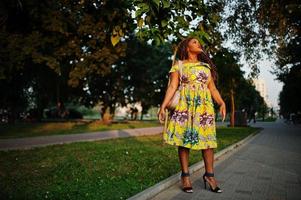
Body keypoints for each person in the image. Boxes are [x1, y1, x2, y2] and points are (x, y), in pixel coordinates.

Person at [158, 37, 226, 193]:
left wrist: (221, 103)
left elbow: (213, 89)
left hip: (203, 108)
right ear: (186, 47)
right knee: (184, 140)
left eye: (199, 42)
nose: (199, 44)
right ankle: (185, 176)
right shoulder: (179, 65)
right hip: (185, 106)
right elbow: (173, 86)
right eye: (195, 42)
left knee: (208, 141)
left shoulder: (206, 66)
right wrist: (163, 106)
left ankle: (209, 175)